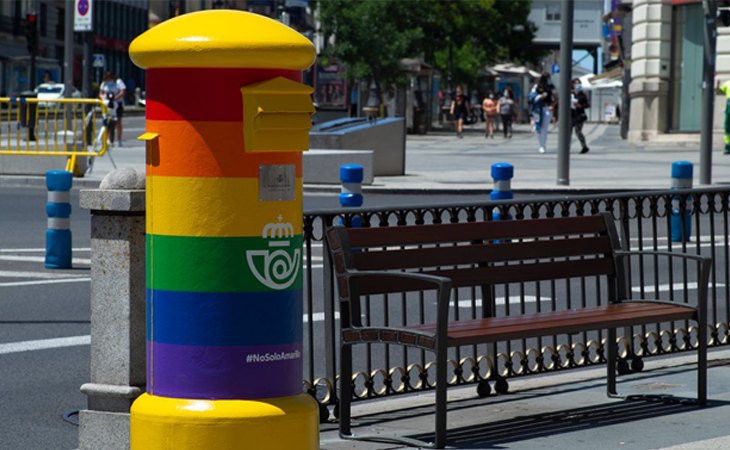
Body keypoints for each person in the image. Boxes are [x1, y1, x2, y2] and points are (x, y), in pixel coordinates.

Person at [529, 73, 556, 153]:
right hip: (538, 109)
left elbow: (556, 97)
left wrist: (553, 105)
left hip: (547, 108)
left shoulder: (551, 87)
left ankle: (542, 146)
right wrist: (539, 96)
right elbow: (531, 97)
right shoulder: (536, 86)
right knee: (538, 128)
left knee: (544, 128)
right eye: (548, 77)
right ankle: (540, 144)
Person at [99, 72, 126, 146]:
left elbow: (123, 91)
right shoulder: (104, 83)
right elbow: (101, 93)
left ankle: (119, 140)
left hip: (117, 103)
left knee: (118, 121)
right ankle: (108, 139)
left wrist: (115, 98)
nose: (108, 79)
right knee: (107, 121)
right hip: (107, 104)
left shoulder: (118, 82)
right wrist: (103, 98)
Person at [571, 78, 590, 154]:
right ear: (572, 85)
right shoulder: (570, 93)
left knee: (578, 131)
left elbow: (588, 105)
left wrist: (581, 105)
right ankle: (566, 147)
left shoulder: (582, 94)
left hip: (579, 115)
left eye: (579, 83)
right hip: (570, 114)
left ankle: (584, 146)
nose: (578, 85)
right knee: (568, 132)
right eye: (576, 83)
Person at [719, 79, 730, 154]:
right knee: (727, 127)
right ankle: (728, 145)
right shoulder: (727, 83)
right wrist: (717, 85)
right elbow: (719, 91)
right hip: (729, 107)